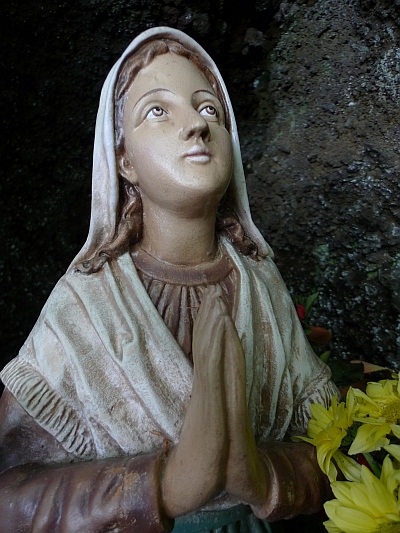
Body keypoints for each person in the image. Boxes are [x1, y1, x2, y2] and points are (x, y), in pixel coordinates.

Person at [0, 27, 338, 532]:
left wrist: (264, 475)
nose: (196, 126)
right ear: (124, 160)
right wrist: (162, 487)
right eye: (158, 110)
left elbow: (340, 453)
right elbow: (10, 492)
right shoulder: (83, 308)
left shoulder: (262, 287)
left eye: (209, 110)